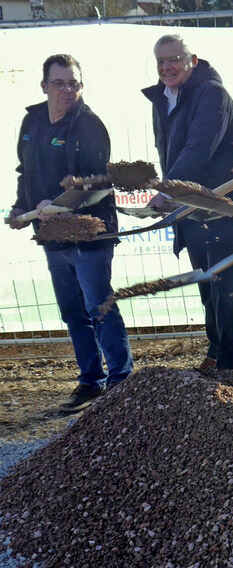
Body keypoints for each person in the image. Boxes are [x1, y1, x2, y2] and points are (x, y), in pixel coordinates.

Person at [8, 54, 132, 413]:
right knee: (73, 312)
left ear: (81, 85)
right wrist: (21, 207)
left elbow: (97, 182)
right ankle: (90, 381)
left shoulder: (89, 126)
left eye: (73, 83)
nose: (66, 90)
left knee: (99, 307)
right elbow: (25, 172)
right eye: (59, 83)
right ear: (44, 86)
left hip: (89, 233)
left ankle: (121, 382)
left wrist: (58, 203)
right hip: (51, 234)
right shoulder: (32, 121)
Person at [143, 35, 233, 372]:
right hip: (192, 208)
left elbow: (199, 147)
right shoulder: (164, 98)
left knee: (226, 288)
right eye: (161, 61)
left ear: (192, 60)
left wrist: (168, 190)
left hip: (222, 206)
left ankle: (228, 365)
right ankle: (215, 351)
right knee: (207, 286)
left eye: (174, 59)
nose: (167, 67)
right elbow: (170, 153)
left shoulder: (212, 94)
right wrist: (173, 193)